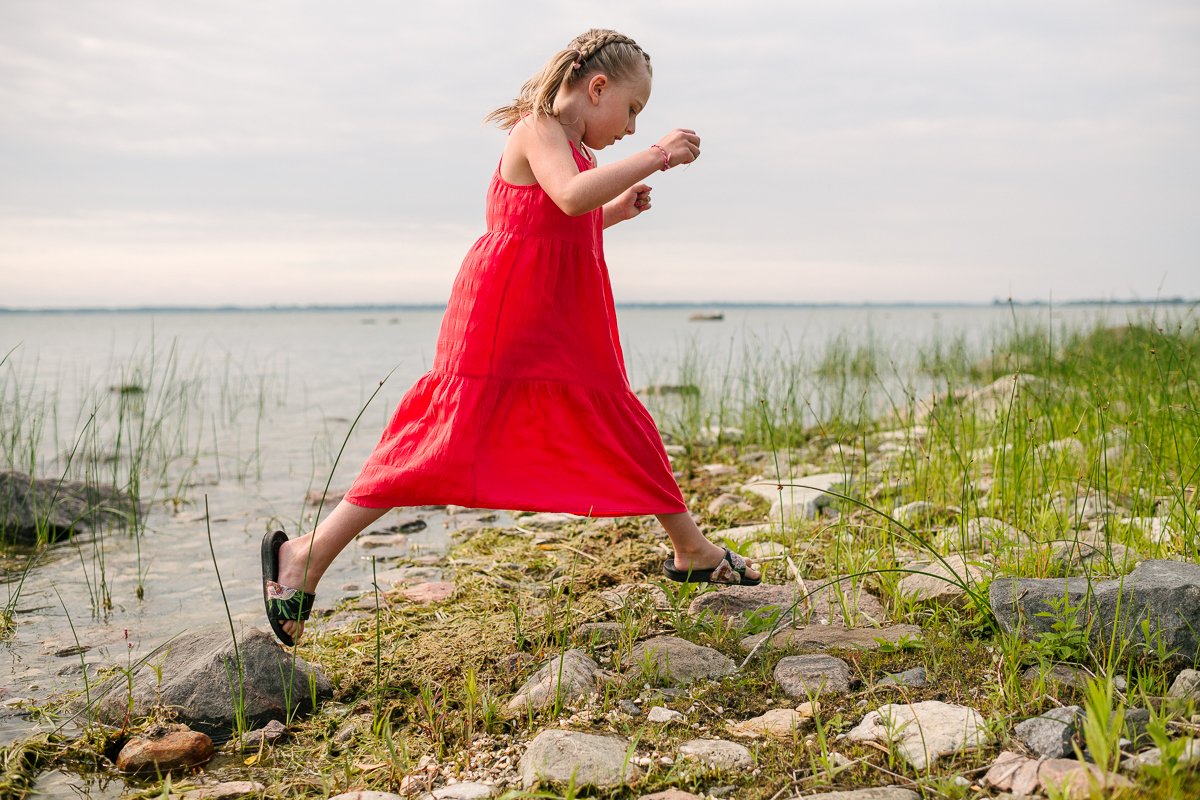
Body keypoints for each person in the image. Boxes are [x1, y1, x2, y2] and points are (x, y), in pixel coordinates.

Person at [262, 28, 760, 647]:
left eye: (642, 120)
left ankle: (691, 549)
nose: (632, 128)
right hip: (506, 307)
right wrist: (658, 154)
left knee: (615, 417)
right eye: (632, 110)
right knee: (442, 439)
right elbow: (570, 198)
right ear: (597, 88)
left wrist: (617, 210)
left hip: (558, 306)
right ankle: (306, 557)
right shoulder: (537, 128)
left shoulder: (579, 151)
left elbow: (564, 214)